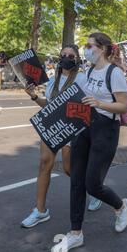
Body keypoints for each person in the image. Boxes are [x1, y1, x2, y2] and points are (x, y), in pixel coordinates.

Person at [51, 33, 127, 252]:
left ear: (104, 49)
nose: (86, 49)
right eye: (86, 46)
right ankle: (75, 233)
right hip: (84, 127)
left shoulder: (114, 73)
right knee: (76, 181)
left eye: (89, 46)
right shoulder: (88, 71)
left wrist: (100, 103)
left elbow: (124, 106)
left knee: (92, 184)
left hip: (105, 129)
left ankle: (121, 205)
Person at [21, 45, 101, 228]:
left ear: (77, 59)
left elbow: (88, 105)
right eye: (63, 55)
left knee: (68, 169)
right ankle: (40, 211)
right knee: (44, 164)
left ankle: (95, 191)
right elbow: (48, 106)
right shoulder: (52, 81)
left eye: (71, 55)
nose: (66, 57)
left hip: (71, 129)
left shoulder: (82, 79)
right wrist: (34, 96)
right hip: (52, 128)